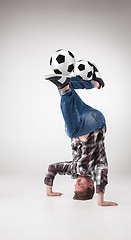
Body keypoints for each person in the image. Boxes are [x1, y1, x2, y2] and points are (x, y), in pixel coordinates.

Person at [44, 63, 118, 206]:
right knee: (71, 131)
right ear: (91, 185)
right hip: (95, 121)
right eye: (80, 185)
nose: (76, 181)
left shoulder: (74, 169)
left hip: (81, 117)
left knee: (67, 87)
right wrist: (101, 201)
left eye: (75, 185)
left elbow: (52, 168)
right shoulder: (97, 167)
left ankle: (95, 83)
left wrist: (49, 191)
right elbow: (101, 177)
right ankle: (64, 88)